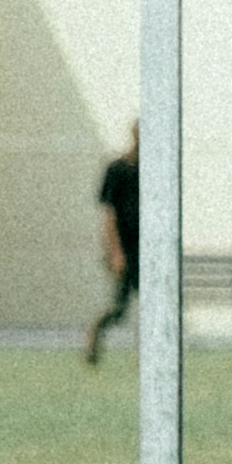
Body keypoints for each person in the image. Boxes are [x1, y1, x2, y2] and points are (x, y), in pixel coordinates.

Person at [87, 127, 138, 366]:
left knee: (154, 305)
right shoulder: (117, 170)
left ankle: (147, 353)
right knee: (119, 307)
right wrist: (116, 252)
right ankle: (96, 333)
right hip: (125, 250)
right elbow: (109, 214)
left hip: (145, 250)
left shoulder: (152, 170)